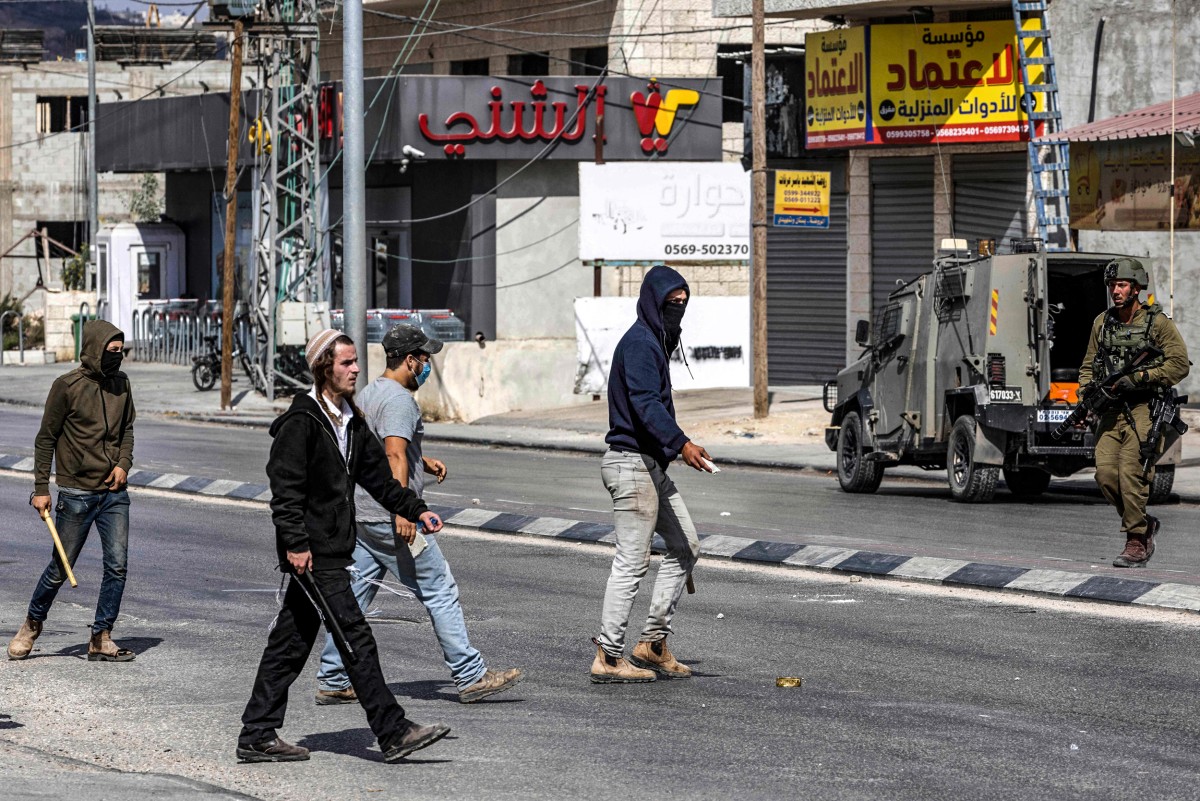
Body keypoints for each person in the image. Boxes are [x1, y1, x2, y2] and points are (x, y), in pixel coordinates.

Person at [237, 329, 450, 764]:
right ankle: (392, 730)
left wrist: (415, 508)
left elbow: (379, 478)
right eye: (346, 363)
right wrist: (295, 544)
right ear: (323, 369)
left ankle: (257, 733)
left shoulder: (350, 420)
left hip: (334, 548)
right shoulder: (302, 422)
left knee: (290, 643)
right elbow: (286, 490)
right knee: (355, 636)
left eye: (356, 362)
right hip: (312, 553)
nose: (356, 370)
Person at [314, 324, 523, 705]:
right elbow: (393, 452)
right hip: (389, 516)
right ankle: (470, 674)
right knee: (440, 590)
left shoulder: (370, 394)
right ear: (410, 360)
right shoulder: (398, 401)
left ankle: (333, 676)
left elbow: (379, 449)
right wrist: (403, 508)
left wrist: (420, 461)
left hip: (364, 515)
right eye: (425, 359)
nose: (427, 365)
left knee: (355, 598)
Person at [591, 264, 714, 684]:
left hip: (650, 466)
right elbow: (645, 405)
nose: (676, 311)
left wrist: (672, 450)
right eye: (670, 304)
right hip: (630, 464)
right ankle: (608, 656)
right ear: (651, 301)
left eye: (682, 304)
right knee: (632, 562)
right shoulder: (641, 344)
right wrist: (682, 443)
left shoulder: (655, 341)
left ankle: (653, 644)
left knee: (685, 546)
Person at [8, 320, 136, 663]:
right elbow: (45, 439)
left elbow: (127, 431)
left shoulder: (122, 384)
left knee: (118, 566)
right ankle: (32, 624)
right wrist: (40, 487)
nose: (118, 358)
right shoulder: (67, 386)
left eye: (121, 351)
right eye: (112, 351)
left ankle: (101, 636)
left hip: (114, 493)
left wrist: (123, 464)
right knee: (60, 568)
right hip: (77, 493)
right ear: (95, 349)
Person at [1077, 257, 1189, 568]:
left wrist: (1139, 378)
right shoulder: (1102, 323)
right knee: (1106, 476)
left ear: (1137, 288)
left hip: (1144, 409)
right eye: (1112, 285)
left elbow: (1179, 364)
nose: (1116, 290)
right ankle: (1146, 523)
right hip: (1111, 411)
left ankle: (1136, 540)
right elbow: (1087, 367)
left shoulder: (1157, 323)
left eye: (1122, 285)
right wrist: (1087, 390)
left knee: (1131, 474)